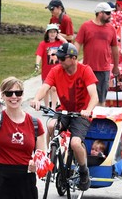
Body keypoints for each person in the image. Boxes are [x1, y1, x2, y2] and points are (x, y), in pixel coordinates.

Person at [30, 42, 99, 191]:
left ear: (73, 58)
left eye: (62, 58)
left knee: (75, 143)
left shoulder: (85, 70)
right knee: (50, 125)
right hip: (64, 111)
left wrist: (88, 109)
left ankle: (83, 172)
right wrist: (36, 99)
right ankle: (52, 157)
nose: (59, 61)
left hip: (81, 114)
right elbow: (45, 87)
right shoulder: (56, 71)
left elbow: (94, 95)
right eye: (58, 58)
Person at [74, 2, 119, 106]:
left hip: (104, 69)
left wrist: (116, 66)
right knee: (87, 97)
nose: (110, 16)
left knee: (101, 98)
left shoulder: (111, 29)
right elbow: (77, 44)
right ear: (100, 13)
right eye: (108, 13)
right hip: (88, 69)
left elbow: (115, 49)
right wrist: (74, 60)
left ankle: (99, 120)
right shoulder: (86, 26)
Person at [35, 23, 67, 110]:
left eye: (54, 32)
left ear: (57, 33)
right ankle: (46, 106)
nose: (52, 34)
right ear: (47, 33)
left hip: (57, 71)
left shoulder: (60, 43)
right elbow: (39, 55)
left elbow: (68, 46)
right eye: (50, 32)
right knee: (46, 89)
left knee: (54, 89)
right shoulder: (43, 44)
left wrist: (62, 38)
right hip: (46, 71)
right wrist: (37, 64)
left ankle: (53, 107)